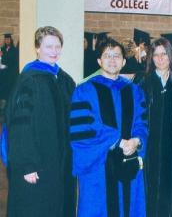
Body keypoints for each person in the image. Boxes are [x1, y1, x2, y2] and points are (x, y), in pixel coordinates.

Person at [70, 37, 148, 217]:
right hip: (98, 163)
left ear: (124, 61)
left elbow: (142, 122)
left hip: (128, 161)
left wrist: (137, 140)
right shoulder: (84, 90)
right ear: (99, 61)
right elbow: (85, 128)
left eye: (117, 56)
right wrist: (118, 141)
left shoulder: (134, 90)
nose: (112, 60)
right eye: (107, 56)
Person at [5, 26, 76, 217]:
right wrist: (27, 164)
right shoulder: (28, 80)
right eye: (48, 46)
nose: (54, 51)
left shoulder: (66, 80)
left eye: (57, 46)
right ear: (37, 48)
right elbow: (20, 126)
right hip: (37, 162)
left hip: (61, 162)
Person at [141, 37, 172, 217]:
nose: (160, 58)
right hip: (152, 145)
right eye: (155, 55)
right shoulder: (144, 83)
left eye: (164, 54)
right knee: (152, 185)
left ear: (170, 55)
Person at [0, 33, 19, 114]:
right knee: (3, 89)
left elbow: (14, 62)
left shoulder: (14, 50)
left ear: (11, 40)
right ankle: (2, 107)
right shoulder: (2, 49)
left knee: (9, 90)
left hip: (10, 74)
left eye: (8, 39)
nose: (7, 40)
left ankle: (8, 107)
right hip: (2, 74)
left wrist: (7, 65)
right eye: (6, 39)